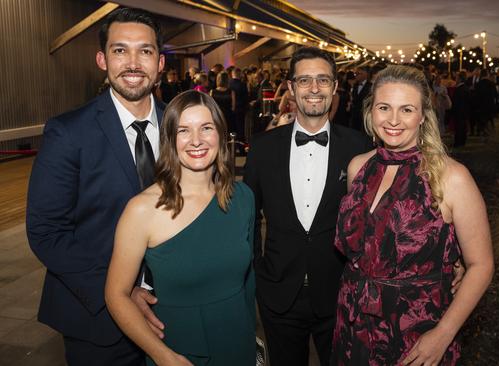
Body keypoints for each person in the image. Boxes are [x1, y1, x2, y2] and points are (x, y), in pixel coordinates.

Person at [26, 8, 165, 365]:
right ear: (102, 59)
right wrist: (118, 292)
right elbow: (46, 231)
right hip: (97, 323)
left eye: (145, 51)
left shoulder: (181, 126)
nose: (133, 63)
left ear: (160, 62)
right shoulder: (68, 132)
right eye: (121, 50)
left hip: (172, 310)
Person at [331, 65, 494, 365]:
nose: (393, 120)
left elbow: (481, 265)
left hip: (417, 333)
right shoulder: (358, 168)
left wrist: (443, 334)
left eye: (406, 109)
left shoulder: (451, 177)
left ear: (423, 116)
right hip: (352, 325)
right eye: (384, 108)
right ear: (371, 112)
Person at [243, 47, 373, 366]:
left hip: (340, 294)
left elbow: (376, 219)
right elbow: (247, 218)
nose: (314, 88)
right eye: (304, 80)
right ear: (290, 88)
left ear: (334, 87)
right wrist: (258, 275)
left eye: (322, 80)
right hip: (278, 296)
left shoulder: (361, 147)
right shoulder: (262, 148)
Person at [105, 90, 256, 366]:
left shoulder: (243, 198)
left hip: (238, 345)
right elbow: (116, 295)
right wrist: (163, 356)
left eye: (206, 128)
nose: (196, 140)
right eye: (184, 130)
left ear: (221, 135)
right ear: (169, 140)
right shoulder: (142, 210)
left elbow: (248, 283)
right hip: (178, 352)